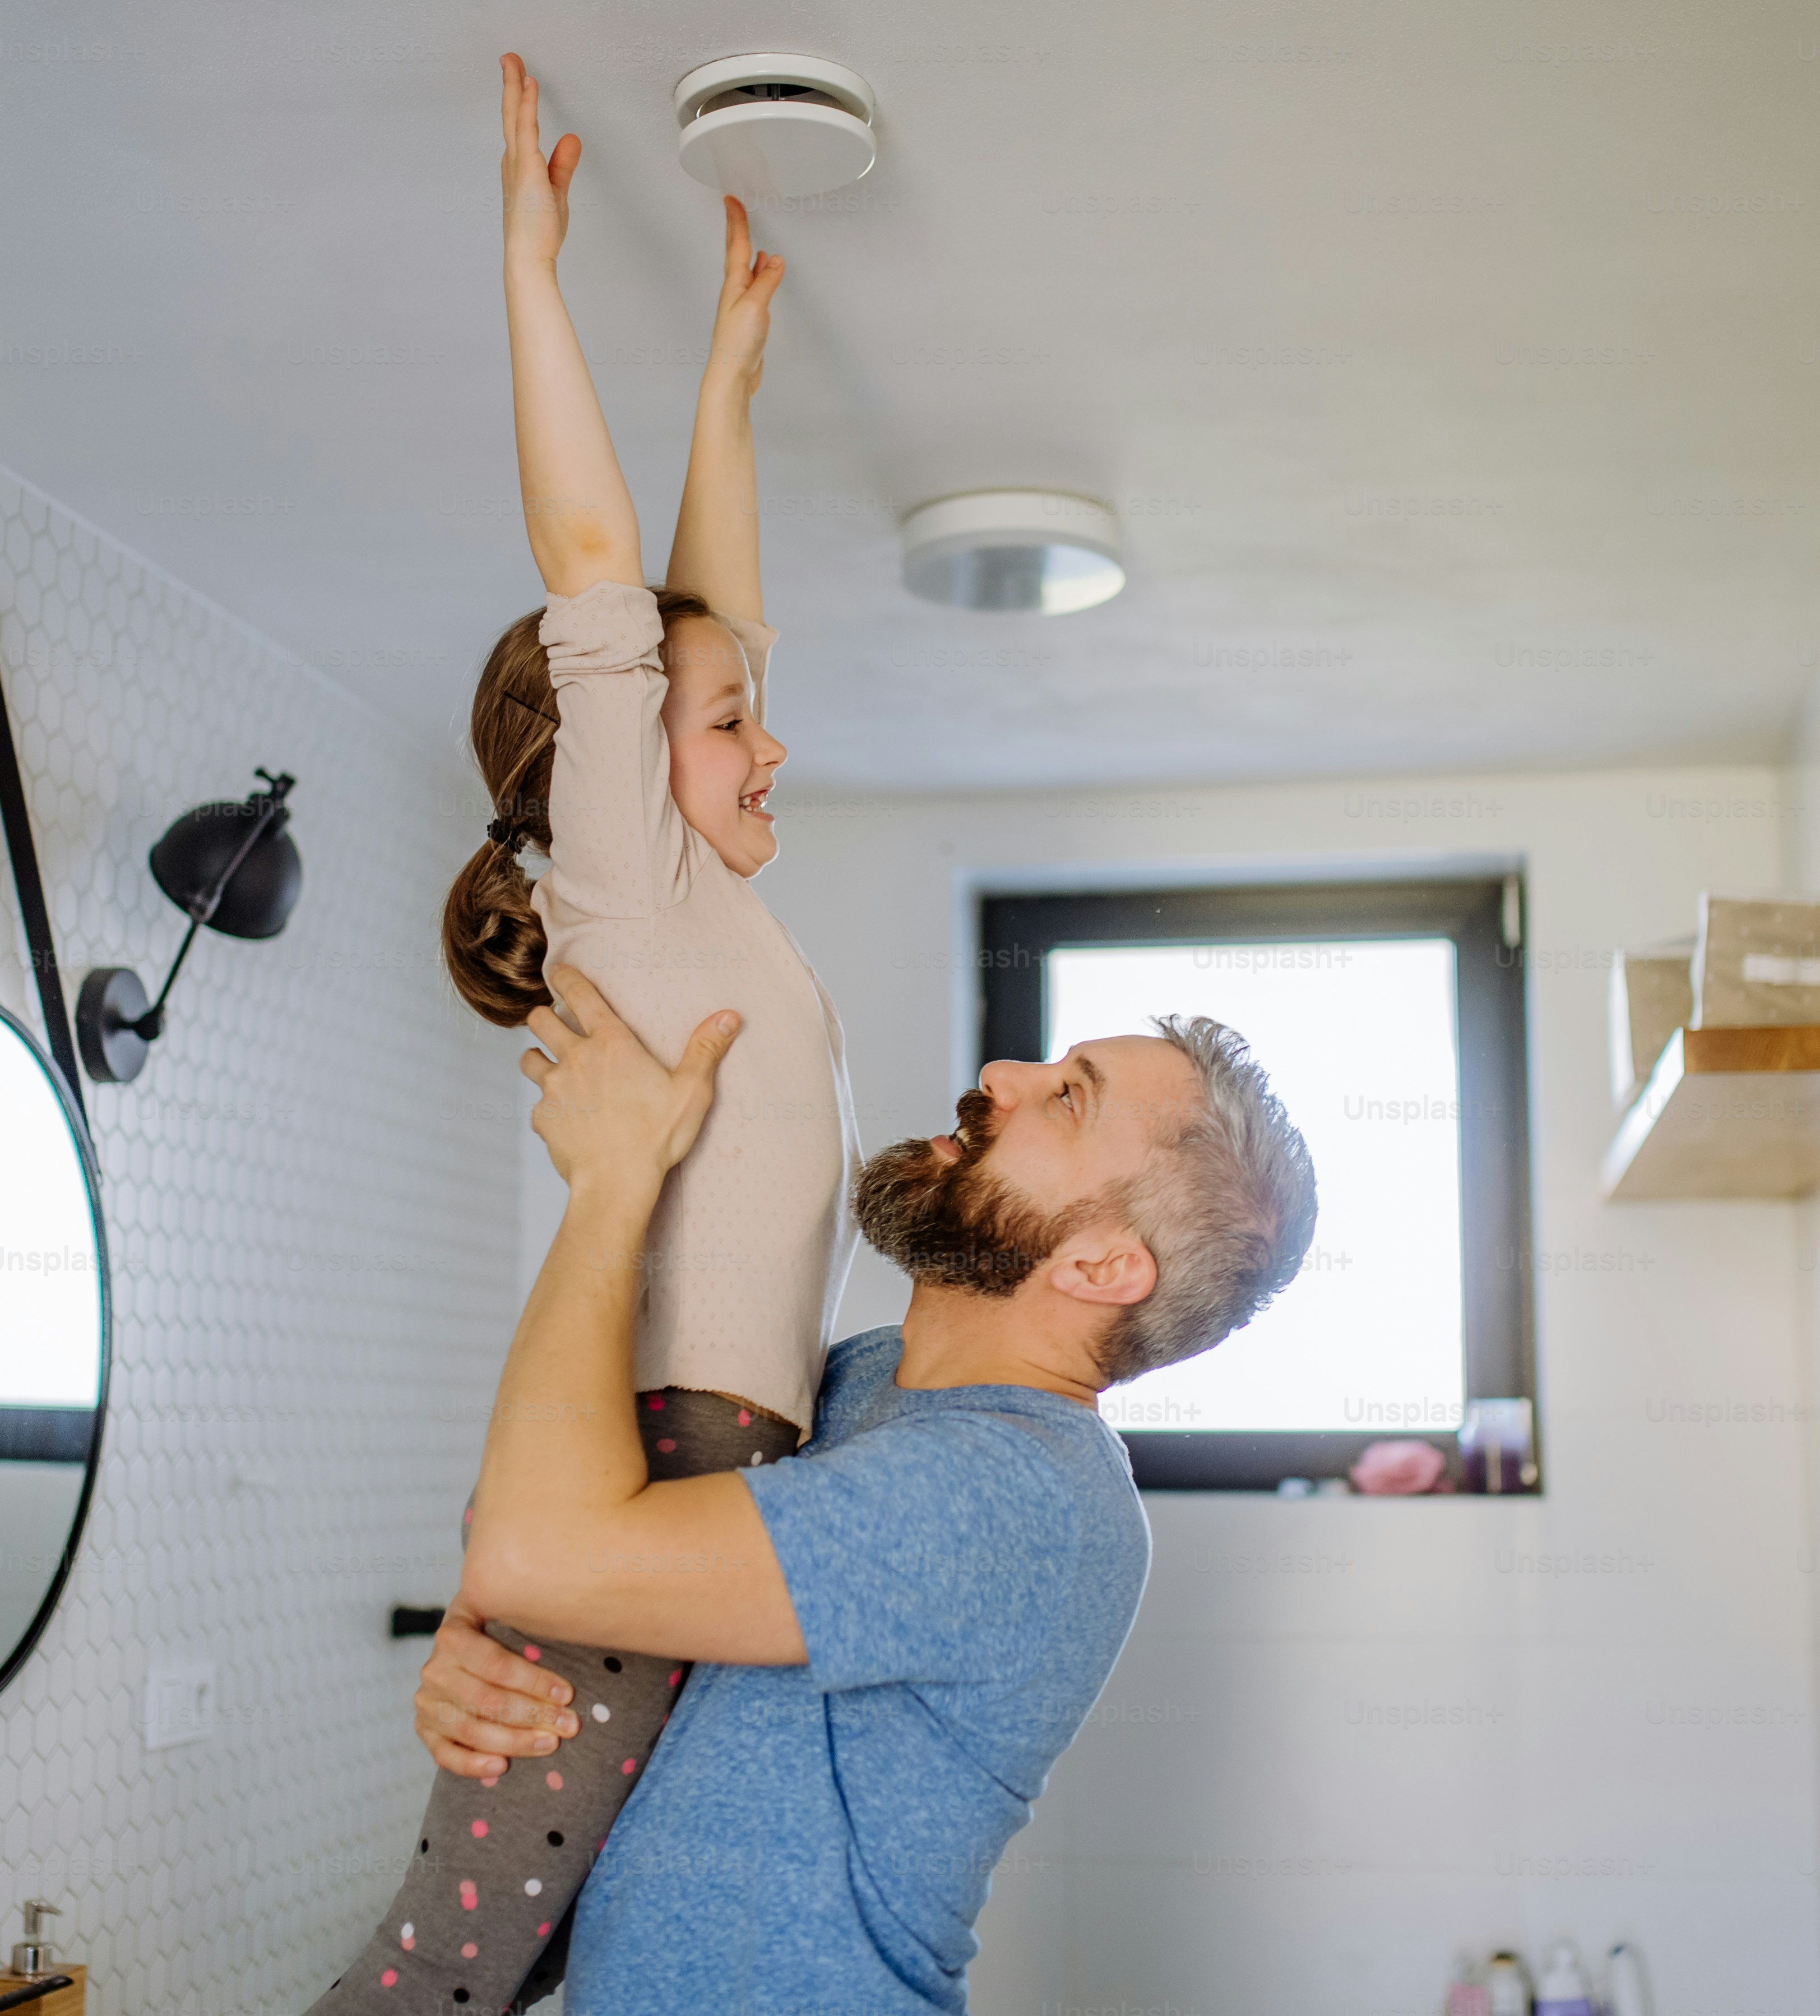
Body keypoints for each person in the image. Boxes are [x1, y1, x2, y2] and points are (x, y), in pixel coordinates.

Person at [315, 53, 857, 2015]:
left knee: (538, 1951)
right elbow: (600, 579)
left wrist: (727, 391)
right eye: (721, 723)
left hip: (705, 1456)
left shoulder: (709, 904)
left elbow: (715, 620)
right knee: (454, 1964)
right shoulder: (623, 884)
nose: (766, 731)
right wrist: (528, 270)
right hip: (654, 1447)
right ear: (611, 767)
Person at [397, 969, 1317, 2012]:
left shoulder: (1020, 1497)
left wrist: (613, 1182)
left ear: (1102, 1265)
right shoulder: (864, 1377)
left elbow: (541, 1554)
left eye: (1068, 1096)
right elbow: (556, 1557)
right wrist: (492, 1651)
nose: (1000, 1074)